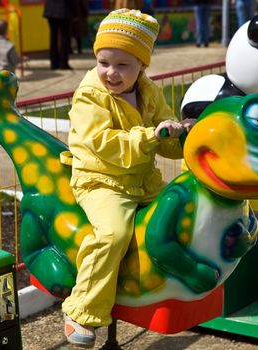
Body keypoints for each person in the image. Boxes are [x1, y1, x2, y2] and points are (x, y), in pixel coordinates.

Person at [62, 8, 195, 348]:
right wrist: (152, 136)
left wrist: (180, 136)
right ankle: (81, 309)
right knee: (113, 233)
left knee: (183, 213)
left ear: (142, 66)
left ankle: (167, 290)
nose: (111, 73)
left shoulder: (149, 91)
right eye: (104, 62)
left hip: (141, 180)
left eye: (123, 65)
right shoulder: (91, 94)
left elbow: (164, 135)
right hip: (101, 179)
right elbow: (103, 144)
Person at [43, 0, 77, 70]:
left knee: (53, 36)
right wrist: (75, 13)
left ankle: (54, 63)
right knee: (64, 37)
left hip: (50, 10)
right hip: (64, 9)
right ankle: (63, 63)